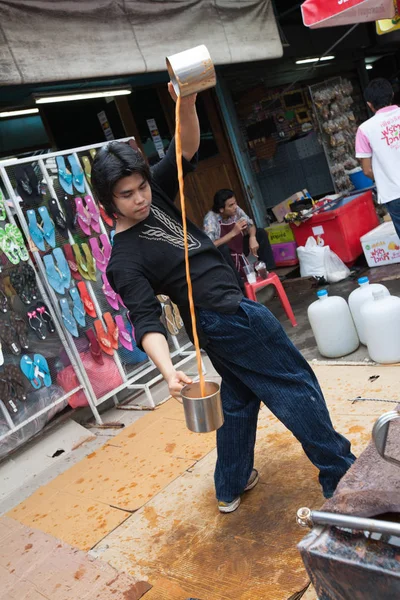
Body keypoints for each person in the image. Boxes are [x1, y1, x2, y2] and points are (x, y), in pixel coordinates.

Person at [92, 84, 355, 514]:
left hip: (218, 320)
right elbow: (146, 321)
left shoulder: (154, 196)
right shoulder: (124, 258)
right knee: (294, 385)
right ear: (107, 202)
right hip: (227, 316)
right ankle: (340, 474)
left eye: (141, 187)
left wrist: (189, 101)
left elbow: (184, 148)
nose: (139, 198)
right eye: (126, 194)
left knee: (237, 399)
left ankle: (230, 484)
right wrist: (167, 371)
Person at [356, 78, 400, 237]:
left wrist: (385, 178)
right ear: (392, 95)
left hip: (393, 194)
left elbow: (367, 170)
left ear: (369, 104)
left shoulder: (364, 130)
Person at [203, 189, 275, 278]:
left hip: (239, 248)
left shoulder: (235, 209)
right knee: (223, 248)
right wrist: (233, 233)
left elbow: (250, 224)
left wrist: (252, 237)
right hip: (227, 256)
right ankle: (239, 285)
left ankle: (269, 272)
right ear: (221, 209)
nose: (235, 206)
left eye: (235, 203)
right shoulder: (210, 219)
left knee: (260, 233)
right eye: (231, 205)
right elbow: (210, 245)